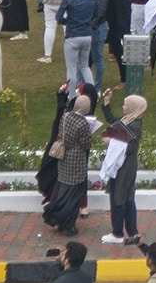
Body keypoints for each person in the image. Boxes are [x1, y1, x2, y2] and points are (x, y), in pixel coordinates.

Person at [97, 90, 147, 245]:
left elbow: (130, 148)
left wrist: (111, 140)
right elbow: (112, 120)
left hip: (124, 167)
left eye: (126, 105)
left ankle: (118, 233)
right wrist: (107, 101)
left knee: (119, 197)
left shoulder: (134, 125)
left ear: (132, 107)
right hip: (123, 166)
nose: (123, 107)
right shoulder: (128, 120)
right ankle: (132, 232)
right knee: (126, 198)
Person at [41, 92, 94, 236]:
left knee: (62, 190)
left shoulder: (65, 116)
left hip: (63, 158)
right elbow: (86, 144)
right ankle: (68, 224)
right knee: (74, 196)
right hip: (76, 162)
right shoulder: (83, 123)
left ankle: (58, 220)